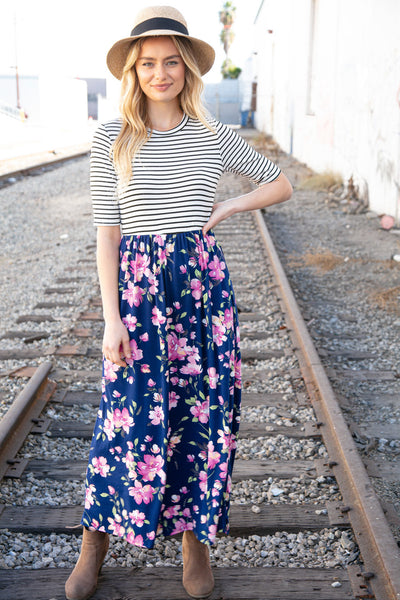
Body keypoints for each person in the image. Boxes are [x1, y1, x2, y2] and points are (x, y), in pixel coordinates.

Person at [65, 6, 292, 600]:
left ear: (187, 68)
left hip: (200, 295)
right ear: (132, 72)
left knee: (202, 419)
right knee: (126, 419)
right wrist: (112, 319)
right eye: (147, 63)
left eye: (171, 62)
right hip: (138, 297)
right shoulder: (110, 138)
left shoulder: (212, 135)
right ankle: (94, 541)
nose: (159, 73)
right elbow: (106, 232)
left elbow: (280, 183)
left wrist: (226, 210)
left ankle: (195, 540)